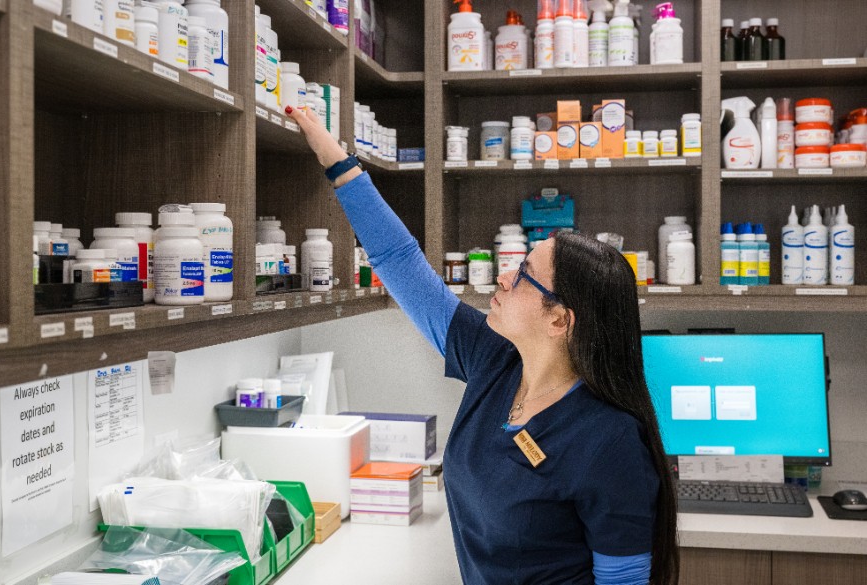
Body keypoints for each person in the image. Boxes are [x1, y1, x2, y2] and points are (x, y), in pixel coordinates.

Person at [285, 104, 679, 585]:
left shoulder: (609, 441)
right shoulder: (495, 359)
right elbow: (399, 261)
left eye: (526, 274)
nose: (504, 275)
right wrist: (334, 158)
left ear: (560, 319)